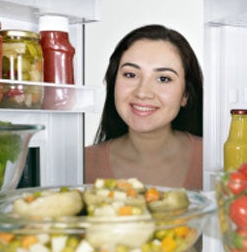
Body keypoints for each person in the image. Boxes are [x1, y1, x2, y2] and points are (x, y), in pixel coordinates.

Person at [85, 24, 204, 190]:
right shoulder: (80, 164)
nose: (142, 92)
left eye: (163, 79)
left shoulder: (216, 159)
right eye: (130, 75)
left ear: (186, 95)